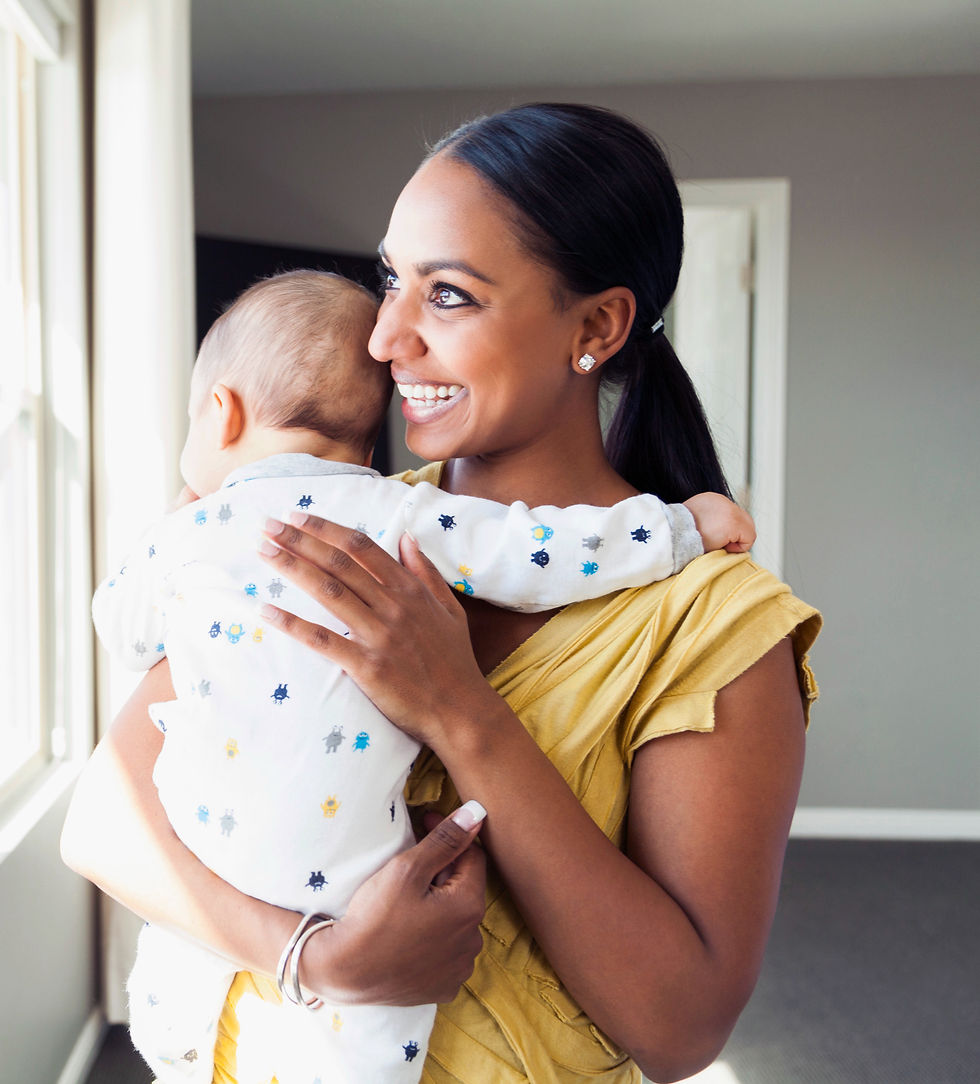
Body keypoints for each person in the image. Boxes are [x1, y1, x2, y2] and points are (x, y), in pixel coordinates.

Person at [63, 102, 820, 1084]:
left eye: (448, 295)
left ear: (596, 326)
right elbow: (106, 822)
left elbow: (680, 1031)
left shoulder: (712, 623)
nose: (385, 338)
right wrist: (317, 961)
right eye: (392, 280)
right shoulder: (324, 525)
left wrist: (459, 709)